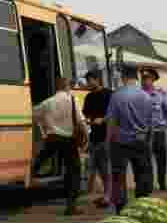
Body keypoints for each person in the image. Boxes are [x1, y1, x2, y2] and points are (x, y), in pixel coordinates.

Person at [32, 76, 88, 215]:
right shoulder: (73, 100)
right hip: (69, 140)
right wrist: (86, 137)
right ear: (67, 86)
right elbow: (81, 122)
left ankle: (29, 174)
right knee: (73, 172)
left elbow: (34, 113)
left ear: (57, 87)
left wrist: (45, 126)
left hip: (53, 138)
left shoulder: (49, 102)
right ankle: (71, 206)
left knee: (41, 159)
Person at [105, 65, 154, 212]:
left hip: (120, 142)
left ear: (124, 77)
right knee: (142, 174)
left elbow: (112, 122)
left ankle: (121, 209)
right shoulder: (146, 96)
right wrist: (148, 141)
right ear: (136, 78)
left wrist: (108, 142)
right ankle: (142, 206)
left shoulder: (117, 96)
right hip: (141, 141)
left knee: (119, 176)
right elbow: (150, 123)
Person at [82, 69, 113, 208]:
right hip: (94, 137)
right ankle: (106, 194)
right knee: (98, 168)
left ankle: (108, 196)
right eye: (87, 80)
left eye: (90, 80)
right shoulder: (88, 97)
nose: (88, 83)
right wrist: (87, 121)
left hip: (107, 137)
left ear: (97, 79)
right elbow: (86, 114)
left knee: (106, 167)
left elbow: (115, 114)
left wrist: (103, 119)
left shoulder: (109, 94)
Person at [141, 68, 167, 191]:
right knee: (145, 160)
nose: (144, 81)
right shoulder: (138, 94)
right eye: (143, 78)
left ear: (153, 79)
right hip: (144, 132)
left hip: (159, 131)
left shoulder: (161, 94)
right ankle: (148, 184)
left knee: (161, 160)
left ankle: (162, 182)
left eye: (147, 78)